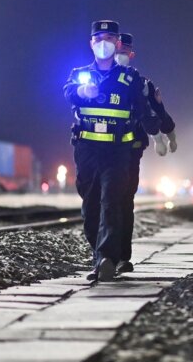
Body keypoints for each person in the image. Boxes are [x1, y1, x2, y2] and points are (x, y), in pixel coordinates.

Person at [63, 20, 160, 283]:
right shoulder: (79, 73)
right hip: (87, 149)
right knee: (90, 205)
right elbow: (69, 93)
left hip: (118, 150)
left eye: (109, 38)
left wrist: (159, 131)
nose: (103, 43)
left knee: (112, 202)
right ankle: (101, 254)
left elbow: (142, 108)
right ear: (91, 43)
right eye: (98, 38)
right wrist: (83, 91)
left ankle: (105, 258)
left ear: (118, 43)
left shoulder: (130, 78)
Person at [114, 32, 177, 275]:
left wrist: (168, 135)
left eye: (124, 52)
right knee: (104, 203)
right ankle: (104, 256)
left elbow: (158, 111)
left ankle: (120, 258)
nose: (120, 55)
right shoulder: (97, 78)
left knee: (122, 203)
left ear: (131, 55)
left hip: (130, 150)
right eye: (117, 50)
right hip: (102, 150)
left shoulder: (141, 83)